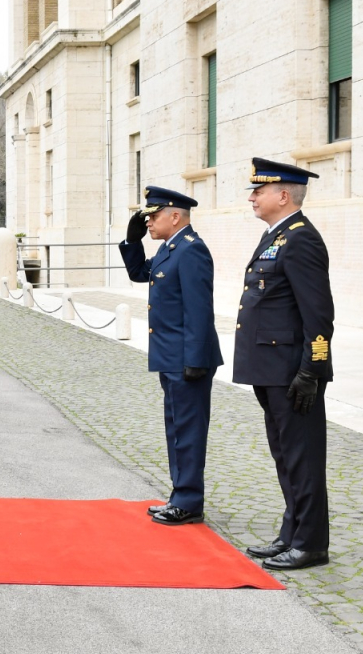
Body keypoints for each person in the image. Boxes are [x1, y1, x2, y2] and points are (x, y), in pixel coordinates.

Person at [235, 158, 335, 571]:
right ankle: (291, 533)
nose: (253, 196)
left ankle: (310, 543)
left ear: (283, 195)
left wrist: (312, 369)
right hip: (271, 367)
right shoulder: (275, 236)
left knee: (302, 456)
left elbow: (319, 313)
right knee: (286, 455)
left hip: (293, 371)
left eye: (259, 190)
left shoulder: (301, 240)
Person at [119, 186, 223, 526]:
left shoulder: (192, 251)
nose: (148, 222)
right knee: (177, 428)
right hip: (171, 357)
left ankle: (189, 501)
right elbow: (139, 273)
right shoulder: (170, 249)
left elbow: (199, 311)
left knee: (188, 431)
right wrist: (132, 241)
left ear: (174, 216)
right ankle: (181, 494)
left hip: (187, 360)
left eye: (153, 216)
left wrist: (195, 359)